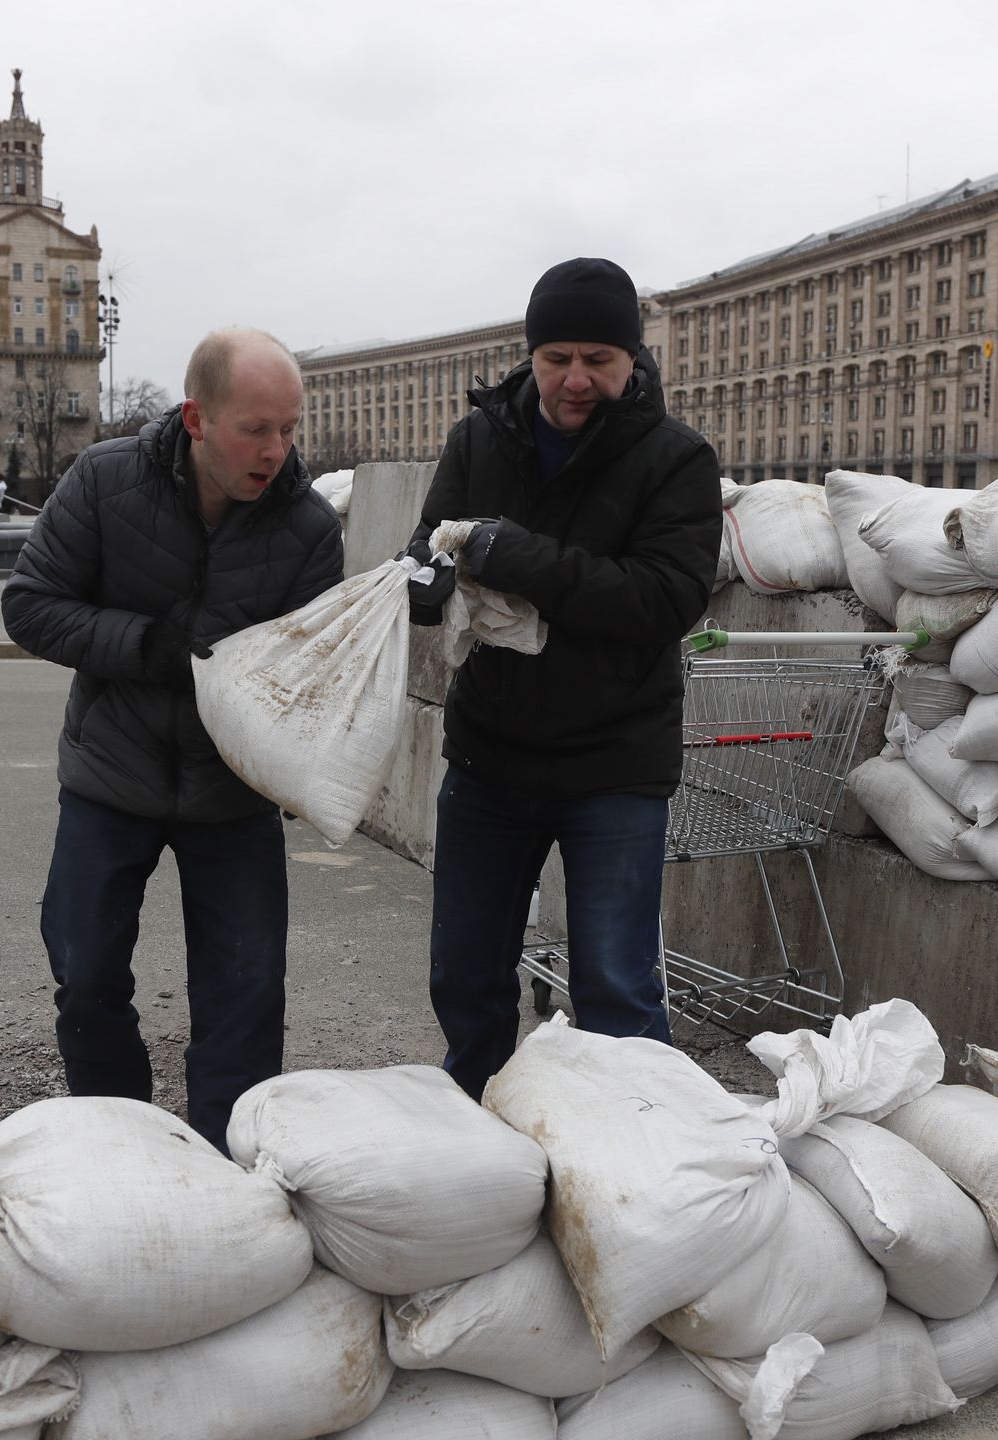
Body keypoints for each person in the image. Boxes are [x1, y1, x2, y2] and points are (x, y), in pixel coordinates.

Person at [2, 327, 344, 1151]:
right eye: (254, 428)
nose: (276, 450)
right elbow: (30, 604)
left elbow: (313, 672)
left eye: (289, 428)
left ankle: (225, 1174)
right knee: (85, 977)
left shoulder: (306, 529)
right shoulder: (104, 480)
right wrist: (145, 646)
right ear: (196, 418)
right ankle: (120, 1147)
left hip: (233, 793)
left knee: (247, 993)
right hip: (111, 773)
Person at [401, 257, 721, 1100]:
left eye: (598, 359)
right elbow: (430, 537)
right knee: (466, 978)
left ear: (632, 359)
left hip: (613, 767)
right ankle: (484, 1129)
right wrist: (420, 580)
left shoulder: (675, 459)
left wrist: (524, 559)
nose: (576, 380)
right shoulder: (480, 438)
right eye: (556, 358)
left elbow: (663, 600)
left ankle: (631, 1152)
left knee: (616, 989)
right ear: (530, 353)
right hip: (490, 758)